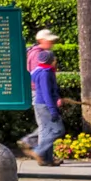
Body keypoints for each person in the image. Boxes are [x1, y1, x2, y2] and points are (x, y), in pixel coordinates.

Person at [27, 27, 61, 161]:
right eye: (49, 41)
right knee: (47, 126)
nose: (52, 43)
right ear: (41, 40)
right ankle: (42, 155)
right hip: (39, 94)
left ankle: (46, 156)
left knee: (47, 126)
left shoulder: (38, 52)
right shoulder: (38, 55)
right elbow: (41, 80)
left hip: (39, 93)